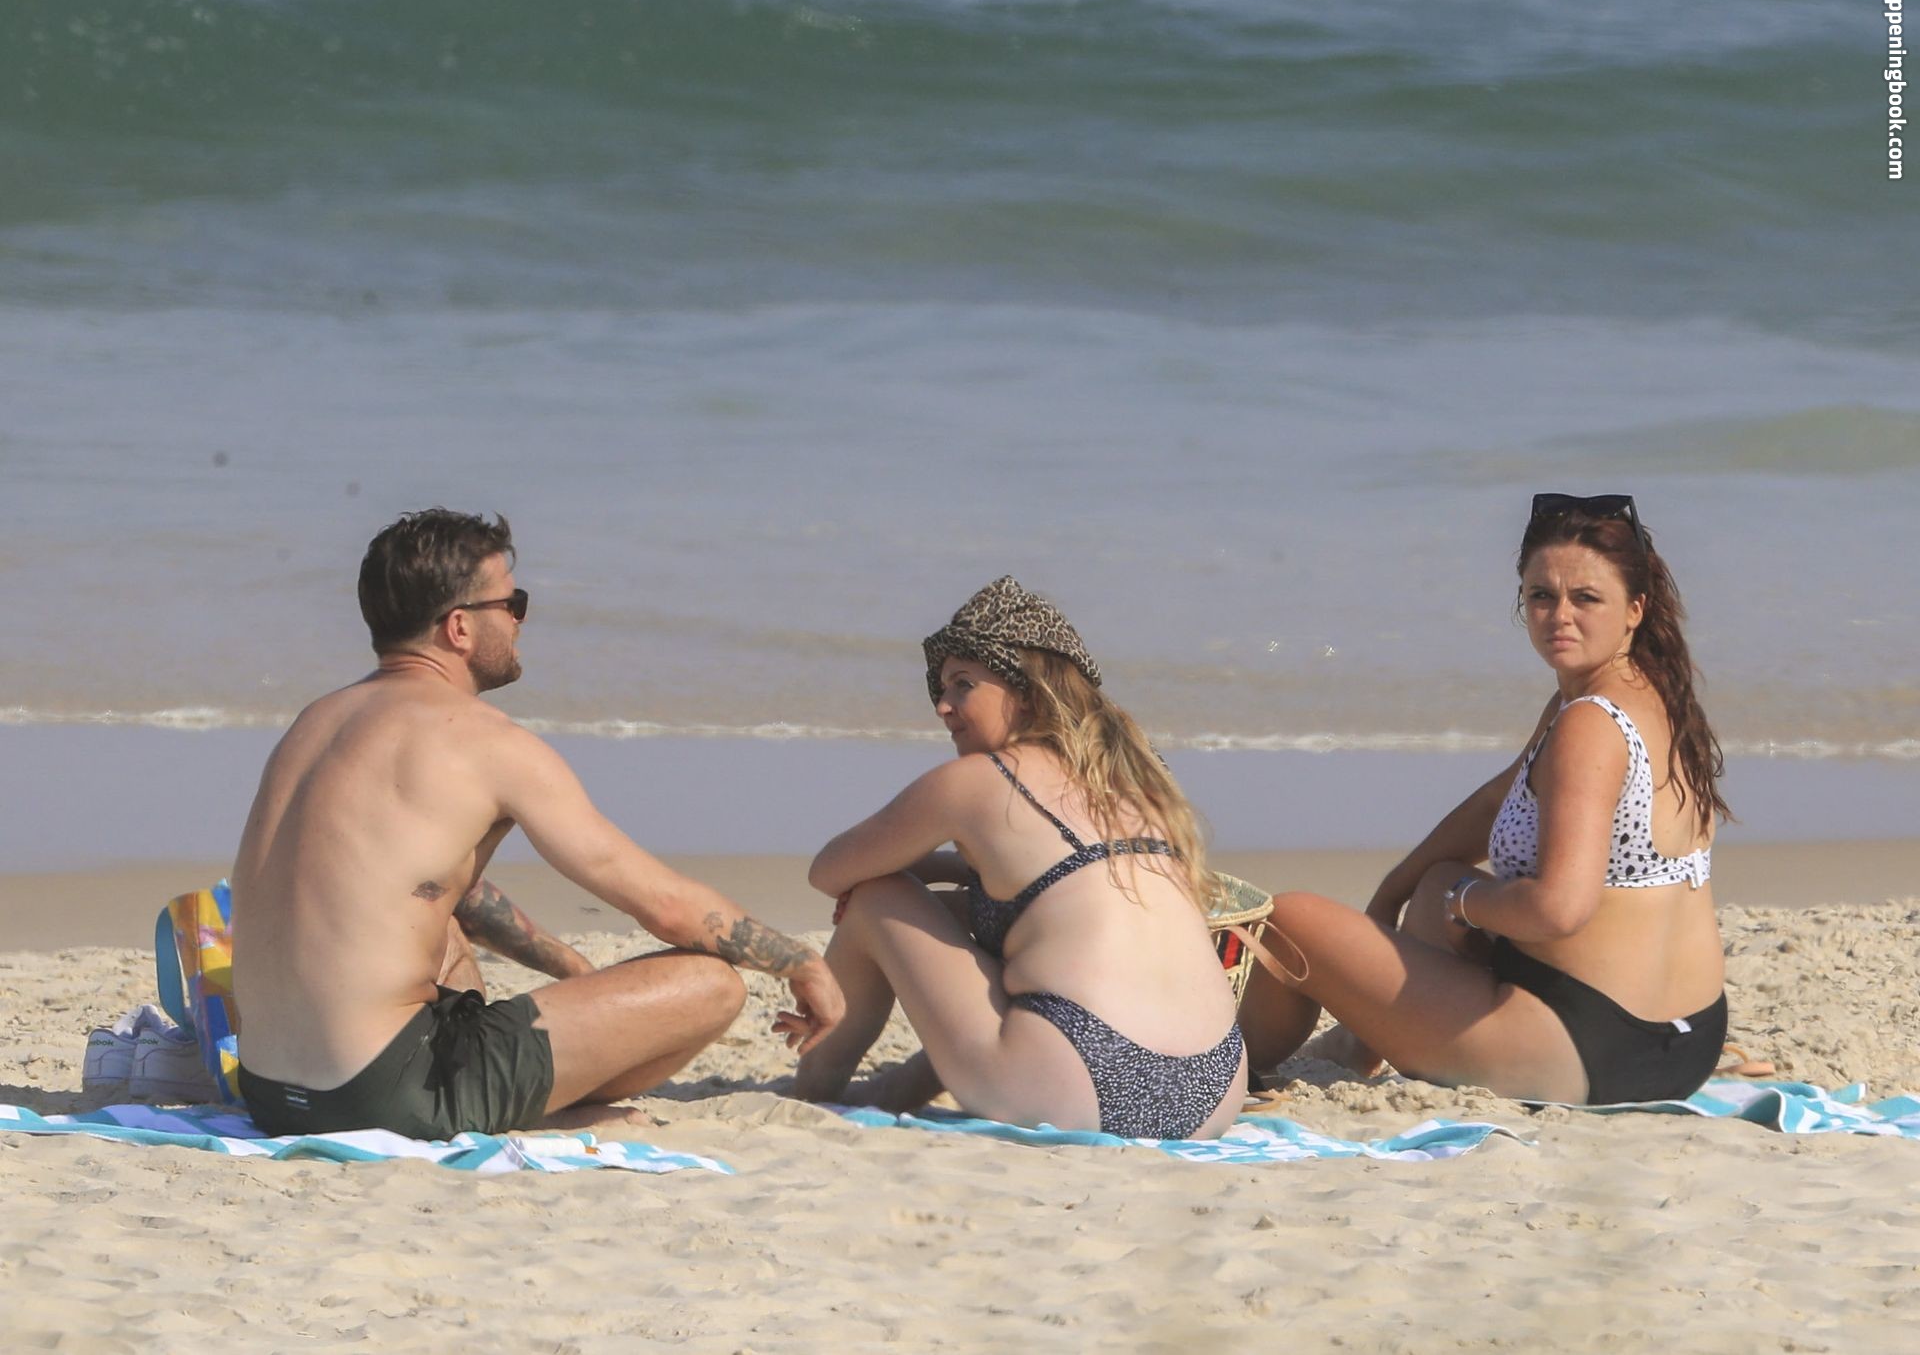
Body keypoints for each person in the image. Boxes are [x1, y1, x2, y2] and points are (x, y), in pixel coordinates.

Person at [230, 509, 843, 1140]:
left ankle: (512, 1095)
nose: (520, 621)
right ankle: (543, 1112)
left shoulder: (315, 723)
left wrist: (571, 967)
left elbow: (429, 887)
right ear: (460, 627)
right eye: (512, 603)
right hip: (382, 1095)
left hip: (271, 1093)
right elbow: (664, 906)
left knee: (437, 930)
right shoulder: (486, 742)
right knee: (712, 984)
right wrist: (802, 964)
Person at [1238, 494, 1730, 1105]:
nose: (1560, 616)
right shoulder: (1653, 694)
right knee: (1436, 880)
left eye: (1586, 598)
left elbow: (1559, 911)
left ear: (1635, 609)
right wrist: (1397, 889)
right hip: (1687, 1041)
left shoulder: (1589, 725)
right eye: (1541, 596)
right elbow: (1498, 799)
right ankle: (1361, 1041)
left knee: (1287, 920)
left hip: (1592, 1050)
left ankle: (1224, 1069)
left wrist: (1466, 903)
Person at [788, 576, 1246, 1140]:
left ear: (1026, 691)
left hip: (1081, 1079)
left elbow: (829, 871)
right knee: (999, 920)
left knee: (876, 896)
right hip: (1213, 1090)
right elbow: (1051, 886)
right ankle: (894, 1090)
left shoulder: (976, 781)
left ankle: (815, 1087)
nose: (943, 706)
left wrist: (904, 876)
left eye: (962, 685)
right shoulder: (1136, 785)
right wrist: (952, 878)